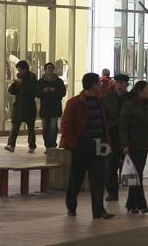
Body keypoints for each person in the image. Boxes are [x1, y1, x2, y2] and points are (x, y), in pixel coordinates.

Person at [60, 72, 113, 219]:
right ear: (92, 85)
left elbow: (104, 124)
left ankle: (98, 210)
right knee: (76, 178)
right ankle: (71, 206)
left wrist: (106, 143)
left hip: (98, 146)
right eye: (98, 83)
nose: (100, 86)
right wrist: (74, 143)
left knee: (97, 179)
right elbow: (66, 126)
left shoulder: (99, 101)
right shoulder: (75, 103)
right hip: (81, 147)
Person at [119, 80, 148, 214]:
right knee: (137, 174)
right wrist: (125, 144)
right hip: (132, 145)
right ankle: (141, 204)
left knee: (137, 174)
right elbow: (123, 126)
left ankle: (132, 204)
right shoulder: (129, 106)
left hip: (144, 145)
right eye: (147, 88)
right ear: (140, 91)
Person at [103, 73, 131, 201]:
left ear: (127, 85)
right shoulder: (107, 98)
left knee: (130, 168)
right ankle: (113, 193)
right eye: (117, 83)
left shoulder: (132, 99)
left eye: (122, 83)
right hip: (112, 137)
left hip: (128, 138)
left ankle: (133, 196)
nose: (119, 86)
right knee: (110, 166)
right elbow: (104, 118)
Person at [5, 60, 38, 153]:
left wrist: (21, 83)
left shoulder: (32, 77)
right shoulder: (18, 77)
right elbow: (11, 91)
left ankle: (32, 146)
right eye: (18, 70)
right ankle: (11, 145)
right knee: (15, 126)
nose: (19, 72)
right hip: (19, 105)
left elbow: (32, 91)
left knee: (30, 127)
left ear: (25, 69)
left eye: (20, 70)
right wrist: (14, 83)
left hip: (29, 106)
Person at [36, 62, 66, 150]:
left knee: (53, 127)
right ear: (45, 70)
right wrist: (43, 91)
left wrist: (55, 91)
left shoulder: (59, 81)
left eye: (51, 68)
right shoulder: (41, 81)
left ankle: (52, 145)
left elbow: (63, 92)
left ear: (54, 70)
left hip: (55, 107)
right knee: (45, 128)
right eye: (48, 68)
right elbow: (37, 93)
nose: (50, 70)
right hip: (45, 108)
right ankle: (47, 145)